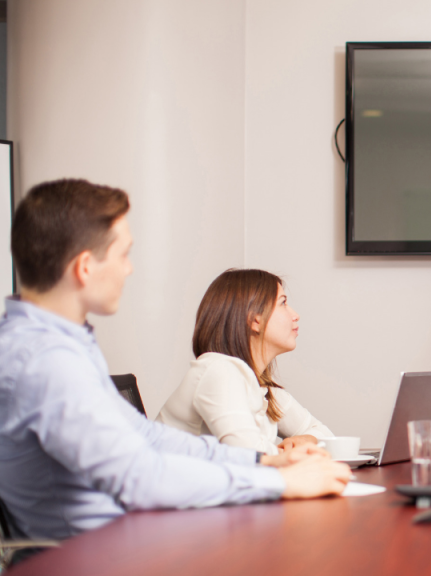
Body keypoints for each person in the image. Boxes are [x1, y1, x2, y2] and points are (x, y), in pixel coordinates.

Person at [0, 179, 351, 562]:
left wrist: (262, 462)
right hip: (100, 559)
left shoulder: (58, 346)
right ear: (85, 267)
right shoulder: (45, 362)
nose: (130, 269)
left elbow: (148, 437)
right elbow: (140, 477)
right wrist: (277, 481)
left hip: (134, 544)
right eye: (123, 255)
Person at [157, 269, 333, 454]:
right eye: (283, 303)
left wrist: (306, 439)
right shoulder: (219, 371)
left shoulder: (265, 391)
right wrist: (290, 454)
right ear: (254, 320)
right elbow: (250, 456)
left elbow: (327, 435)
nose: (295, 314)